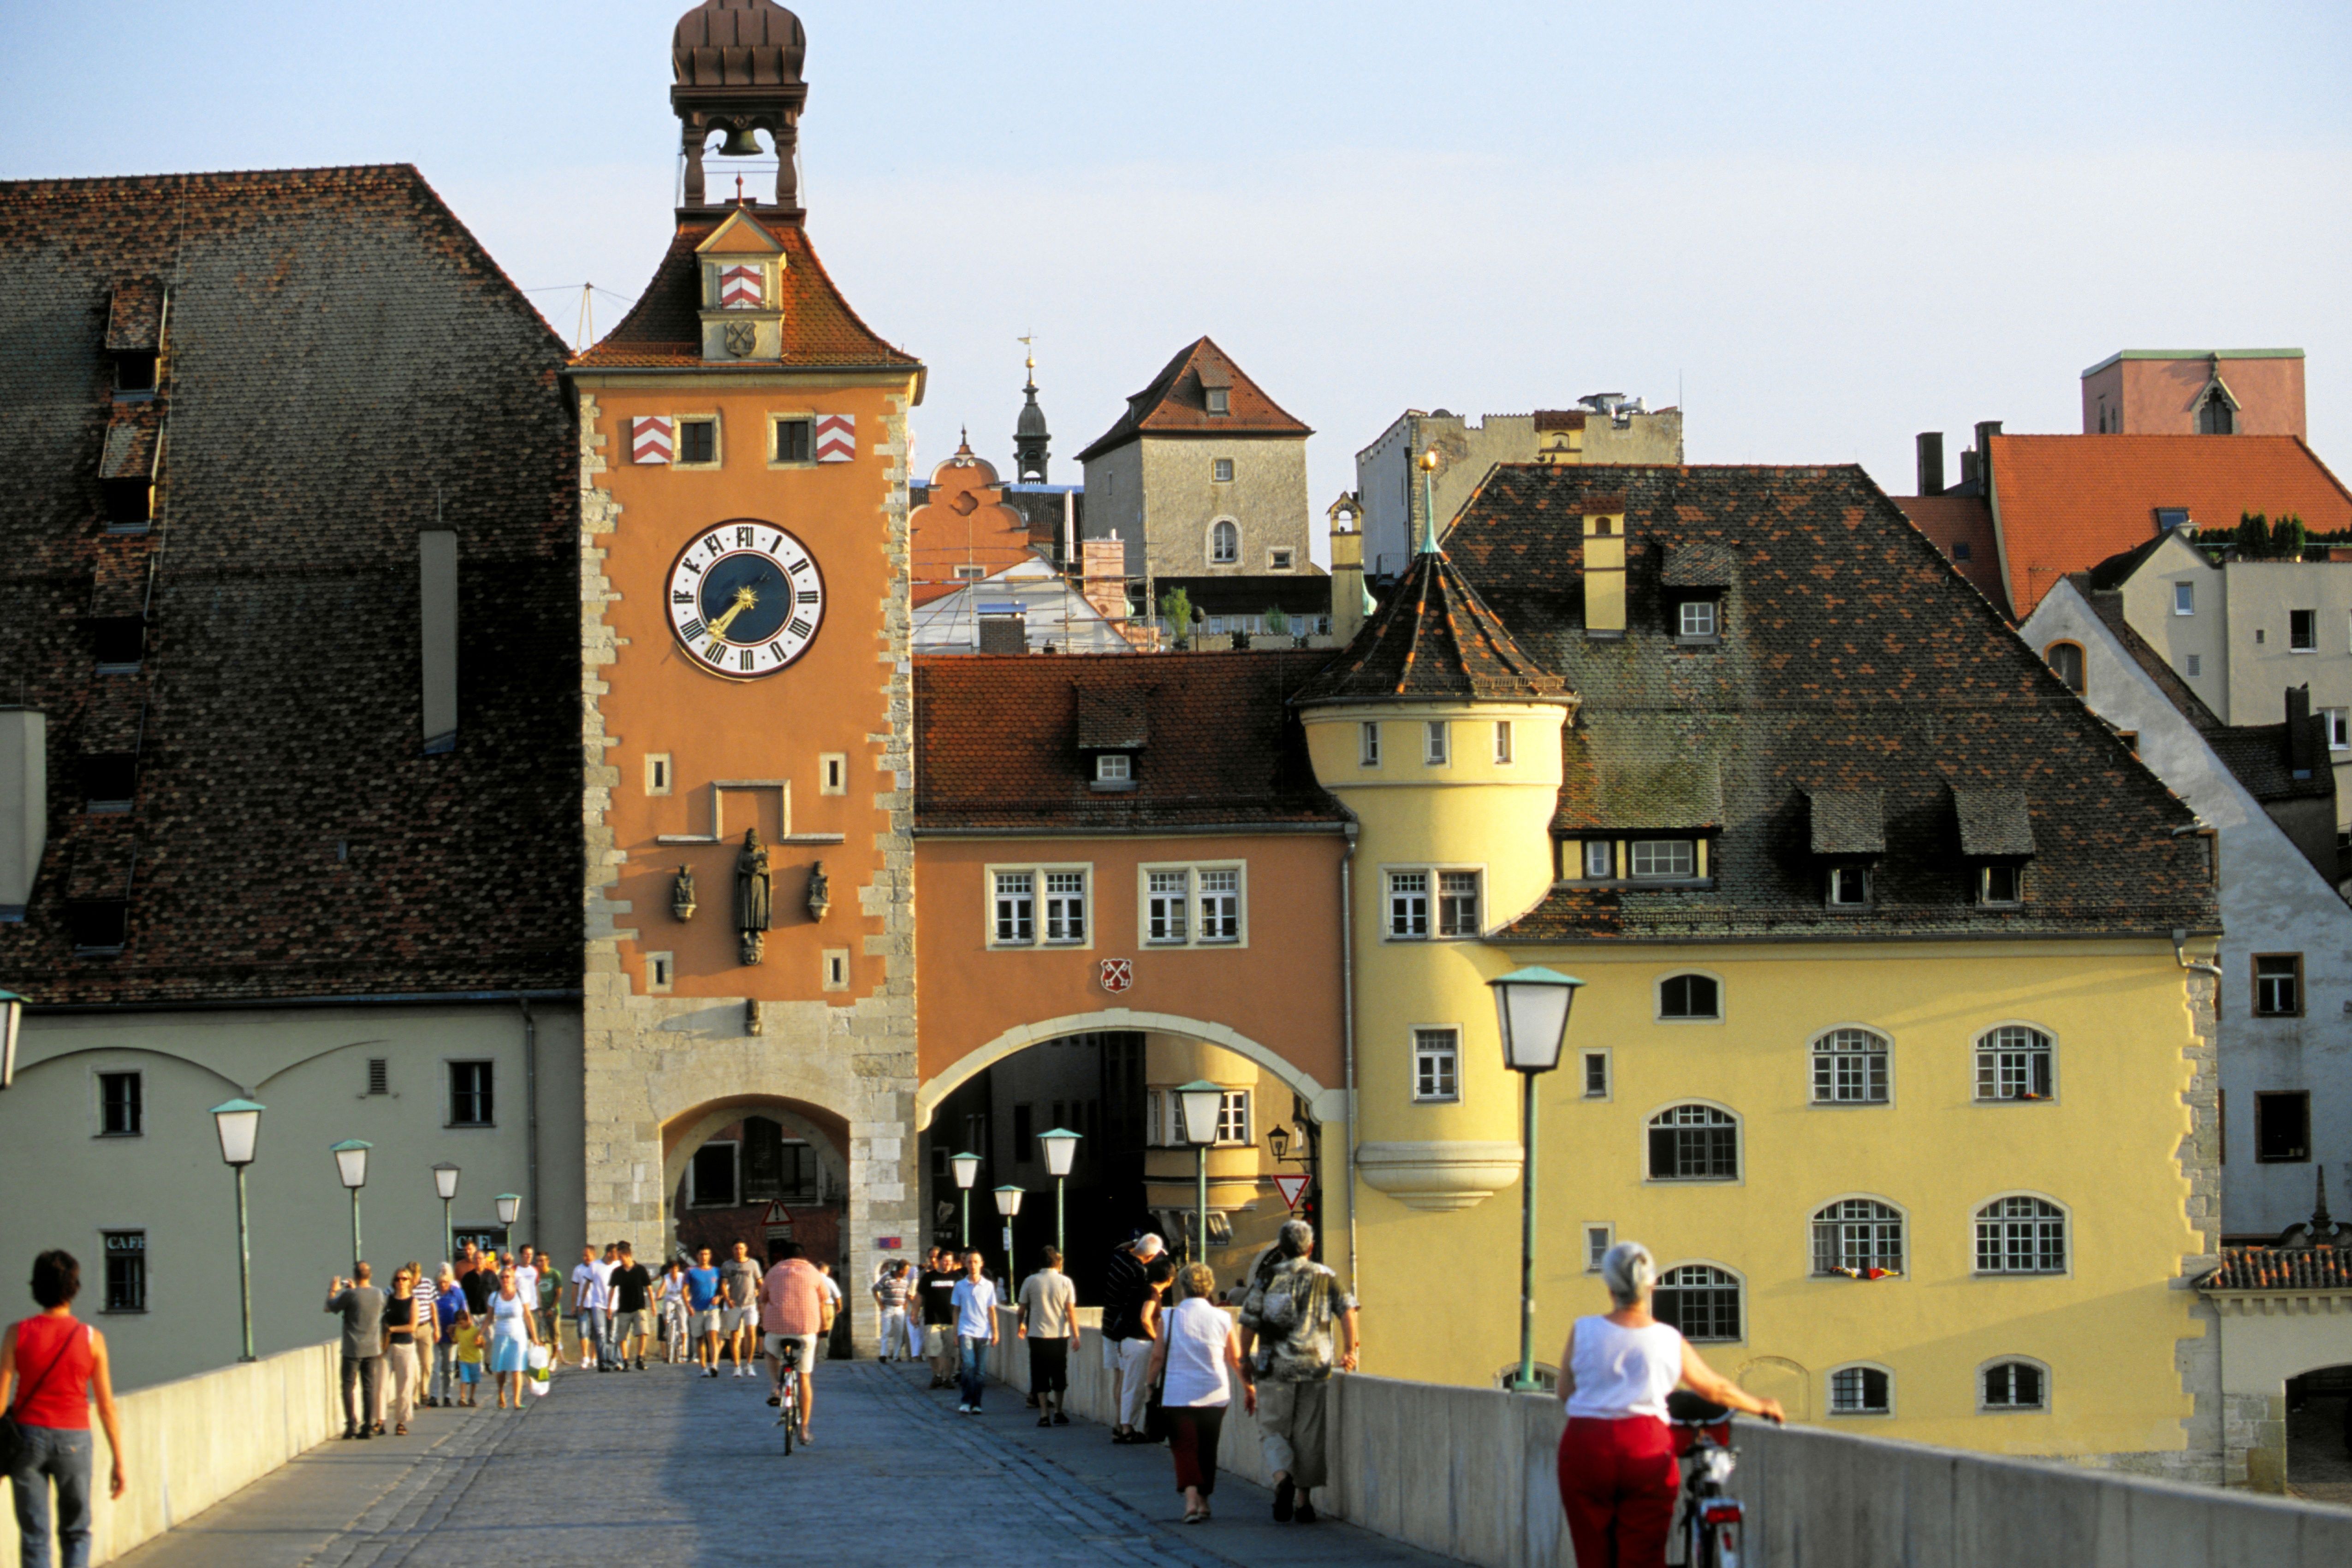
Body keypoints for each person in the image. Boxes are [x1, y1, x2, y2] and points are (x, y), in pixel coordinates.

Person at [1556, 1242, 1783, 1568]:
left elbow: (1565, 1391)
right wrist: (1760, 1404)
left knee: (1593, 1554)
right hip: (1645, 1447)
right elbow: (1715, 1389)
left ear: (1609, 1287)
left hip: (1586, 1446)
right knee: (1643, 1555)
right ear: (1651, 1285)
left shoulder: (1584, 1330)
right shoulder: (1667, 1338)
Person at [2, 1250, 126, 1568]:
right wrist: (119, 1461)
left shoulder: (18, 1332)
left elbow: (1, 1399)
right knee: (76, 1531)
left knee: (35, 1536)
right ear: (74, 1287)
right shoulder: (92, 1338)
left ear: (36, 1287)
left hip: (27, 1438)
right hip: (75, 1439)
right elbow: (107, 1407)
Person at [1237, 1219, 1359, 1524]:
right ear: (1311, 1247)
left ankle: (1281, 1478)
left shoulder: (1267, 1277)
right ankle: (1304, 1503)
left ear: (1280, 1248)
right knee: (1309, 1434)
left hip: (1274, 1366)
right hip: (1315, 1367)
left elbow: (1249, 1320)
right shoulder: (1326, 1276)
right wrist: (1350, 1350)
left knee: (1273, 1429)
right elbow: (1347, 1310)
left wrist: (1243, 1359)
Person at [1148, 1261, 1249, 1525]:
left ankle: (1191, 1500)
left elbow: (1157, 1357)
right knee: (1207, 1448)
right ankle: (1204, 1501)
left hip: (1177, 1394)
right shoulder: (1223, 1317)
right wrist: (1249, 1387)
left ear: (1183, 1287)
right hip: (1214, 1394)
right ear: (1209, 1288)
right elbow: (1235, 1358)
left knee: (1184, 1448)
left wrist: (1149, 1386)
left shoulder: (1169, 1318)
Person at [757, 1241, 832, 1445]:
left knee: (771, 1352)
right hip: (806, 1331)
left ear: (784, 1257)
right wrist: (824, 1326)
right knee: (805, 1377)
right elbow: (824, 1300)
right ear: (804, 1257)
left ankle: (775, 1388)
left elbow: (762, 1297)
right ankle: (805, 1430)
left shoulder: (774, 1271)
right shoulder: (813, 1272)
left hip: (777, 1328)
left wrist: (764, 1319)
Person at [1102, 1233, 1163, 1442]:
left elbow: (1120, 1245)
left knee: (1119, 1380)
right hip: (1126, 1330)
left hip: (1109, 1325)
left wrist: (1136, 1244)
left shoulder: (1119, 1257)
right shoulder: (1140, 1272)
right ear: (1152, 1256)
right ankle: (1123, 1427)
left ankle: (1118, 1424)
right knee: (1127, 1382)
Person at [1016, 1246, 1080, 1427]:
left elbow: (1022, 1309)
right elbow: (1070, 1311)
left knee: (1039, 1374)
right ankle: (1059, 1412)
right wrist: (1076, 1335)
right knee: (1059, 1373)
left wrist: (1021, 1324)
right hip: (1060, 1335)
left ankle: (1044, 1415)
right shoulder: (1066, 1282)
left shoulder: (1030, 1281)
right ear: (1058, 1263)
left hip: (1037, 1334)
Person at [323, 1264, 387, 1441]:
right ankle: (368, 1425)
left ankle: (352, 1424)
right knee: (368, 1387)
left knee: (348, 1386)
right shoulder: (379, 1294)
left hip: (353, 1348)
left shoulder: (350, 1295)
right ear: (370, 1275)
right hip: (372, 1348)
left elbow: (330, 1307)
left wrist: (333, 1290)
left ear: (355, 1276)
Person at [948, 1249, 998, 1415]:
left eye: (976, 1262)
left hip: (983, 1331)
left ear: (981, 1264)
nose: (973, 1265)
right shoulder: (960, 1286)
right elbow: (956, 1310)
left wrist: (995, 1331)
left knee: (980, 1371)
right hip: (966, 1330)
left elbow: (992, 1310)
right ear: (965, 1264)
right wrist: (956, 1333)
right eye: (969, 1262)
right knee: (968, 1365)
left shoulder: (988, 1286)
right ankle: (966, 1401)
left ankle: (977, 1403)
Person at [487, 1264, 540, 1410]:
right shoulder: (494, 1297)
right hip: (501, 1334)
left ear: (513, 1279)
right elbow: (489, 1317)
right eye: (503, 1277)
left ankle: (517, 1400)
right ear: (499, 1280)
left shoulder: (521, 1294)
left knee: (517, 1369)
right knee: (501, 1370)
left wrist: (535, 1337)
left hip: (518, 1335)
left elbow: (528, 1316)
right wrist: (480, 1334)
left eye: (508, 1277)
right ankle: (501, 1393)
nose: (505, 1280)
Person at [380, 1266, 423, 1437]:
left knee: (404, 1386)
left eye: (404, 1279)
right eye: (398, 1279)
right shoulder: (388, 1300)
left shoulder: (413, 1301)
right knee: (381, 1384)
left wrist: (393, 1329)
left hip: (405, 1346)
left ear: (410, 1281)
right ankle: (379, 1421)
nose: (401, 1282)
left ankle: (401, 1421)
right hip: (387, 1347)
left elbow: (412, 1327)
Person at [719, 1241, 762, 1379]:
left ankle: (749, 1364)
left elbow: (760, 1281)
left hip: (750, 1304)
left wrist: (762, 1294)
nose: (739, 1251)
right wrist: (727, 1299)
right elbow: (724, 1285)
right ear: (733, 1250)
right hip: (735, 1304)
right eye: (736, 1249)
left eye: (742, 1248)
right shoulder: (727, 1265)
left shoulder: (753, 1264)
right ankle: (737, 1367)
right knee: (735, 1335)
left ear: (746, 1249)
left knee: (751, 1332)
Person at [607, 1242, 653, 1372]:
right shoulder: (617, 1272)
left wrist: (653, 1305)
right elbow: (612, 1289)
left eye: (621, 1257)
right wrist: (609, 1306)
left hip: (639, 1306)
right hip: (624, 1308)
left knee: (643, 1332)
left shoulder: (640, 1270)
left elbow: (649, 1288)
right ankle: (625, 1361)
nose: (619, 1260)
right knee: (622, 1336)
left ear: (628, 1256)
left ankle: (640, 1358)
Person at [919, 1248, 959, 1389]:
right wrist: (914, 1313)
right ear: (939, 1261)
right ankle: (936, 1375)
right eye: (945, 1261)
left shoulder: (957, 1278)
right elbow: (920, 1296)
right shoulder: (929, 1277)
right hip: (932, 1319)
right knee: (933, 1351)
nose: (947, 1264)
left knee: (950, 1352)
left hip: (951, 1320)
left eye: (950, 1261)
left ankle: (947, 1378)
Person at [429, 1263, 466, 1408]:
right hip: (435, 1334)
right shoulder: (433, 1292)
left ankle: (447, 1395)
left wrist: (457, 1327)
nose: (443, 1285)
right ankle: (433, 1395)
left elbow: (464, 1315)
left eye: (446, 1282)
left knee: (449, 1368)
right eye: (440, 1282)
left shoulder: (457, 1293)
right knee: (435, 1367)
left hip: (451, 1336)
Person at [684, 1247, 723, 1376]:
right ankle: (704, 1368)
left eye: (706, 1254)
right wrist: (688, 1306)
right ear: (697, 1256)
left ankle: (714, 1365)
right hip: (696, 1310)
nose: (704, 1257)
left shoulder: (717, 1271)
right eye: (702, 1254)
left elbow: (722, 1289)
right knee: (699, 1339)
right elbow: (684, 1290)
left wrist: (719, 1297)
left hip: (712, 1310)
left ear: (710, 1256)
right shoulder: (691, 1271)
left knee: (712, 1336)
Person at [566, 1246, 603, 1370]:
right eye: (584, 1255)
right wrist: (574, 1306)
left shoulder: (598, 1268)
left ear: (594, 1255)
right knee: (583, 1331)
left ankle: (594, 1357)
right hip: (583, 1305)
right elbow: (574, 1288)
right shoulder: (578, 1269)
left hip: (596, 1304)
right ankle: (585, 1357)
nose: (585, 1258)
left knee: (595, 1333)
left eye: (587, 1255)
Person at [871, 1260, 911, 1363]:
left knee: (899, 1332)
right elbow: (875, 1289)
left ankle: (896, 1355)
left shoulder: (905, 1281)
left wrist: (906, 1304)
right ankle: (883, 1354)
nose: (907, 1272)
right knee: (886, 1332)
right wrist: (880, 1304)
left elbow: (907, 1293)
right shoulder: (887, 1277)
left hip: (900, 1309)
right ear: (901, 1270)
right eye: (906, 1270)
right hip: (888, 1307)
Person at [656, 1258, 689, 1363]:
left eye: (676, 1269)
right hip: (669, 1299)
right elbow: (662, 1289)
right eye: (672, 1269)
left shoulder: (682, 1277)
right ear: (669, 1270)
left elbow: (686, 1289)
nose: (674, 1271)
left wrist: (688, 1297)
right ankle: (667, 1330)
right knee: (665, 1312)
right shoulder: (666, 1278)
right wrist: (659, 1295)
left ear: (678, 1269)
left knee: (683, 1323)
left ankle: (684, 1347)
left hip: (680, 1299)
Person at [812, 1262, 843, 1360]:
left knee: (814, 1332)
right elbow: (837, 1296)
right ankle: (821, 1356)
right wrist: (839, 1307)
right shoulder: (829, 1280)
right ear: (825, 1270)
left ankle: (813, 1355)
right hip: (827, 1306)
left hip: (813, 1307)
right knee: (825, 1333)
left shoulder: (811, 1279)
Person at [453, 1315, 485, 1406]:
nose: (461, 1325)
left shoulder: (475, 1331)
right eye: (459, 1324)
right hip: (463, 1359)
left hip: (475, 1360)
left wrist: (479, 1342)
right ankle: (463, 1398)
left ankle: (471, 1398)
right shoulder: (458, 1330)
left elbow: (482, 1345)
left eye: (462, 1323)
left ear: (468, 1321)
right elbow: (455, 1341)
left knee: (474, 1381)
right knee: (464, 1379)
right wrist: (451, 1333)